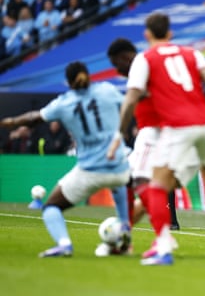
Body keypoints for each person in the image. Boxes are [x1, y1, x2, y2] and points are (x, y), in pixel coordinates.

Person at [108, 12, 205, 266]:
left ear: (147, 34)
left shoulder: (145, 58)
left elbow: (131, 97)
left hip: (178, 127)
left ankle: (163, 248)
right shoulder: (192, 53)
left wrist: (119, 132)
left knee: (156, 186)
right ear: (170, 32)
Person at [0, 61, 131, 257]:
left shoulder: (64, 103)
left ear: (68, 82)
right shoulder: (107, 90)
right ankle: (125, 227)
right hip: (120, 166)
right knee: (117, 183)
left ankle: (64, 244)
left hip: (90, 170)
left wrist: (11, 122)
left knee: (52, 206)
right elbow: (129, 105)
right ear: (88, 75)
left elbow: (34, 118)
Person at [107, 37, 181, 231]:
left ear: (124, 57)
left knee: (140, 180)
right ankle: (127, 226)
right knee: (129, 178)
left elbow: (131, 100)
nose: (117, 70)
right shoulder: (150, 65)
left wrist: (118, 135)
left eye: (116, 64)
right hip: (158, 130)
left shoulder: (142, 65)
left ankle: (163, 227)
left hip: (154, 132)